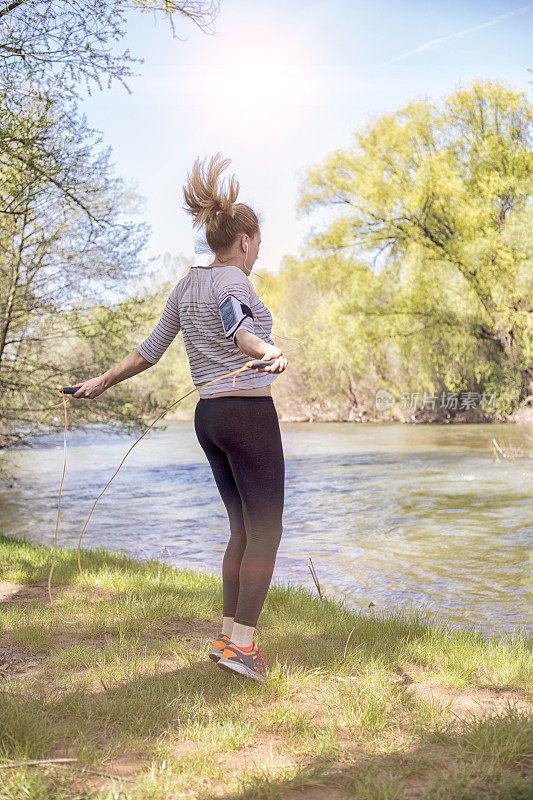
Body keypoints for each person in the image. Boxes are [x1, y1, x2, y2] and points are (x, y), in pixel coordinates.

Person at [70, 152, 288, 682]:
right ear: (243, 241)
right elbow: (239, 328)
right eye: (257, 243)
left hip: (209, 420)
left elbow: (149, 350)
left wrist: (101, 381)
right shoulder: (232, 283)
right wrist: (266, 350)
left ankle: (227, 636)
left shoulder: (186, 285)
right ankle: (245, 648)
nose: (258, 252)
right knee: (267, 531)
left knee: (241, 529)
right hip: (247, 417)